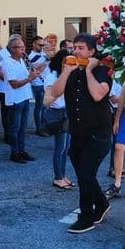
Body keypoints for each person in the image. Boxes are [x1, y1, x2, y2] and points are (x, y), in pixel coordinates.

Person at [50, 33, 114, 234]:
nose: (75, 51)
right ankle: (102, 204)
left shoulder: (102, 71)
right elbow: (55, 92)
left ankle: (86, 217)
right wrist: (67, 71)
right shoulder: (69, 71)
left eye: (80, 48)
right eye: (74, 48)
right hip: (77, 133)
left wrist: (88, 71)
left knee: (86, 174)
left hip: (98, 133)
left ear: (91, 51)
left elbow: (97, 95)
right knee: (84, 174)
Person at [1, 36, 40, 163]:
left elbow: (25, 77)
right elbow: (14, 84)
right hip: (15, 99)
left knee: (23, 127)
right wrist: (30, 78)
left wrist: (33, 73)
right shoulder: (7, 62)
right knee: (15, 128)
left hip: (25, 97)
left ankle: (22, 151)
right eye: (20, 47)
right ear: (12, 49)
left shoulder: (22, 60)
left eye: (24, 47)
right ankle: (14, 153)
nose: (23, 49)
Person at [44, 49, 74, 190]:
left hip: (68, 112)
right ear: (61, 62)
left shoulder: (71, 75)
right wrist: (60, 90)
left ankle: (62, 175)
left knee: (66, 147)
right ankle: (58, 177)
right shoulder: (52, 77)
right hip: (58, 113)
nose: (70, 64)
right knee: (60, 147)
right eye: (67, 61)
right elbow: (46, 101)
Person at [0, 33, 22, 142]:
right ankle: (8, 135)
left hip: (17, 88)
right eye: (17, 45)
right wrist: (9, 80)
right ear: (11, 44)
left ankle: (15, 135)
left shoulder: (19, 55)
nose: (20, 47)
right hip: (5, 89)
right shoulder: (1, 54)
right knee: (7, 113)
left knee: (15, 113)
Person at [28, 35, 51, 137]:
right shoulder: (31, 56)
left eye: (43, 45)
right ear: (33, 44)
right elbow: (37, 70)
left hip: (46, 84)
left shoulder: (43, 54)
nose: (42, 47)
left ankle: (44, 126)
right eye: (40, 45)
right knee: (39, 107)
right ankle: (39, 128)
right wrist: (46, 61)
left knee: (45, 106)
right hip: (38, 83)